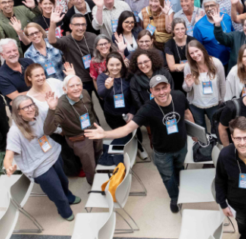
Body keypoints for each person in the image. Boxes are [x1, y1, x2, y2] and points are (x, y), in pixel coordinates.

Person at [84, 74, 195, 213]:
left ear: (169, 86)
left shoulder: (179, 96)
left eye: (164, 87)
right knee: (168, 176)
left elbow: (187, 113)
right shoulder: (147, 109)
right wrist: (105, 134)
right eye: (157, 89)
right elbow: (127, 129)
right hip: (162, 152)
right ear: (151, 91)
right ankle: (174, 197)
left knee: (179, 167)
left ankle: (180, 180)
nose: (162, 92)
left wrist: (195, 133)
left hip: (181, 146)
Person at [5, 94, 82, 221]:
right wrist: (8, 166)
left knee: (63, 181)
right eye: (25, 107)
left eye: (31, 105)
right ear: (18, 112)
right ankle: (64, 209)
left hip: (53, 154)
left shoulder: (39, 114)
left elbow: (53, 118)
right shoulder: (14, 131)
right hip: (38, 166)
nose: (30, 109)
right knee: (55, 191)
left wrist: (52, 108)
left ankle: (68, 196)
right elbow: (9, 154)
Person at [46, 74, 102, 184]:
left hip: (94, 131)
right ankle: (95, 185)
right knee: (89, 165)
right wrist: (52, 109)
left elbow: (91, 111)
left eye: (78, 84)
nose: (76, 88)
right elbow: (48, 130)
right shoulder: (61, 106)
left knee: (99, 154)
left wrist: (97, 126)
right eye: (72, 86)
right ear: (64, 89)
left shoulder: (85, 93)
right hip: (80, 139)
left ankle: (102, 176)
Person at [182, 39, 226, 133]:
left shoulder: (216, 63)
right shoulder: (188, 67)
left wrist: (222, 100)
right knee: (201, 129)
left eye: (196, 51)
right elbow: (186, 89)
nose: (195, 55)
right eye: (191, 53)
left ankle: (215, 144)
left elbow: (222, 83)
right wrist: (188, 85)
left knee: (216, 127)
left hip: (214, 103)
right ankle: (204, 146)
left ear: (202, 49)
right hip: (196, 104)